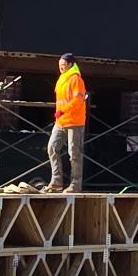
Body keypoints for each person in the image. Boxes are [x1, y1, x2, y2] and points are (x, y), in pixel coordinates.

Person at [47, 52, 88, 193]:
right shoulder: (62, 79)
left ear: (70, 64)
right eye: (59, 65)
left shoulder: (76, 80)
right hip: (61, 121)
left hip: (74, 122)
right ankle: (56, 182)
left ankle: (75, 185)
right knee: (52, 147)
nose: (61, 67)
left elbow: (78, 100)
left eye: (63, 65)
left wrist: (62, 110)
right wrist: (60, 114)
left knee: (74, 153)